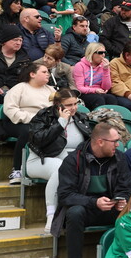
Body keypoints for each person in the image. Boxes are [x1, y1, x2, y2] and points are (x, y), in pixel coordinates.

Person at [52, 123, 131, 258]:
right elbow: (65, 195)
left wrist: (122, 200)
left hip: (110, 208)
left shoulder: (120, 158)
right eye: (114, 141)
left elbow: (125, 187)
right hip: (86, 209)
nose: (118, 145)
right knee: (74, 213)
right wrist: (93, 202)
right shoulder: (73, 160)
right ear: (100, 142)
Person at [27, 89, 92, 232]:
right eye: (69, 105)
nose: (74, 108)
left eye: (76, 103)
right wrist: (61, 123)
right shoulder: (44, 116)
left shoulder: (80, 117)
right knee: (61, 167)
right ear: (58, 105)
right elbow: (39, 141)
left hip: (70, 160)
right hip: (40, 160)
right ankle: (51, 216)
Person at [2, 61, 56, 184]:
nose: (48, 74)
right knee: (28, 131)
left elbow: (56, 109)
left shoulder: (51, 90)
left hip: (43, 123)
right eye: (44, 72)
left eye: (48, 72)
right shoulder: (20, 88)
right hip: (17, 123)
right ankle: (17, 170)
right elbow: (10, 109)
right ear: (32, 74)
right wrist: (32, 119)